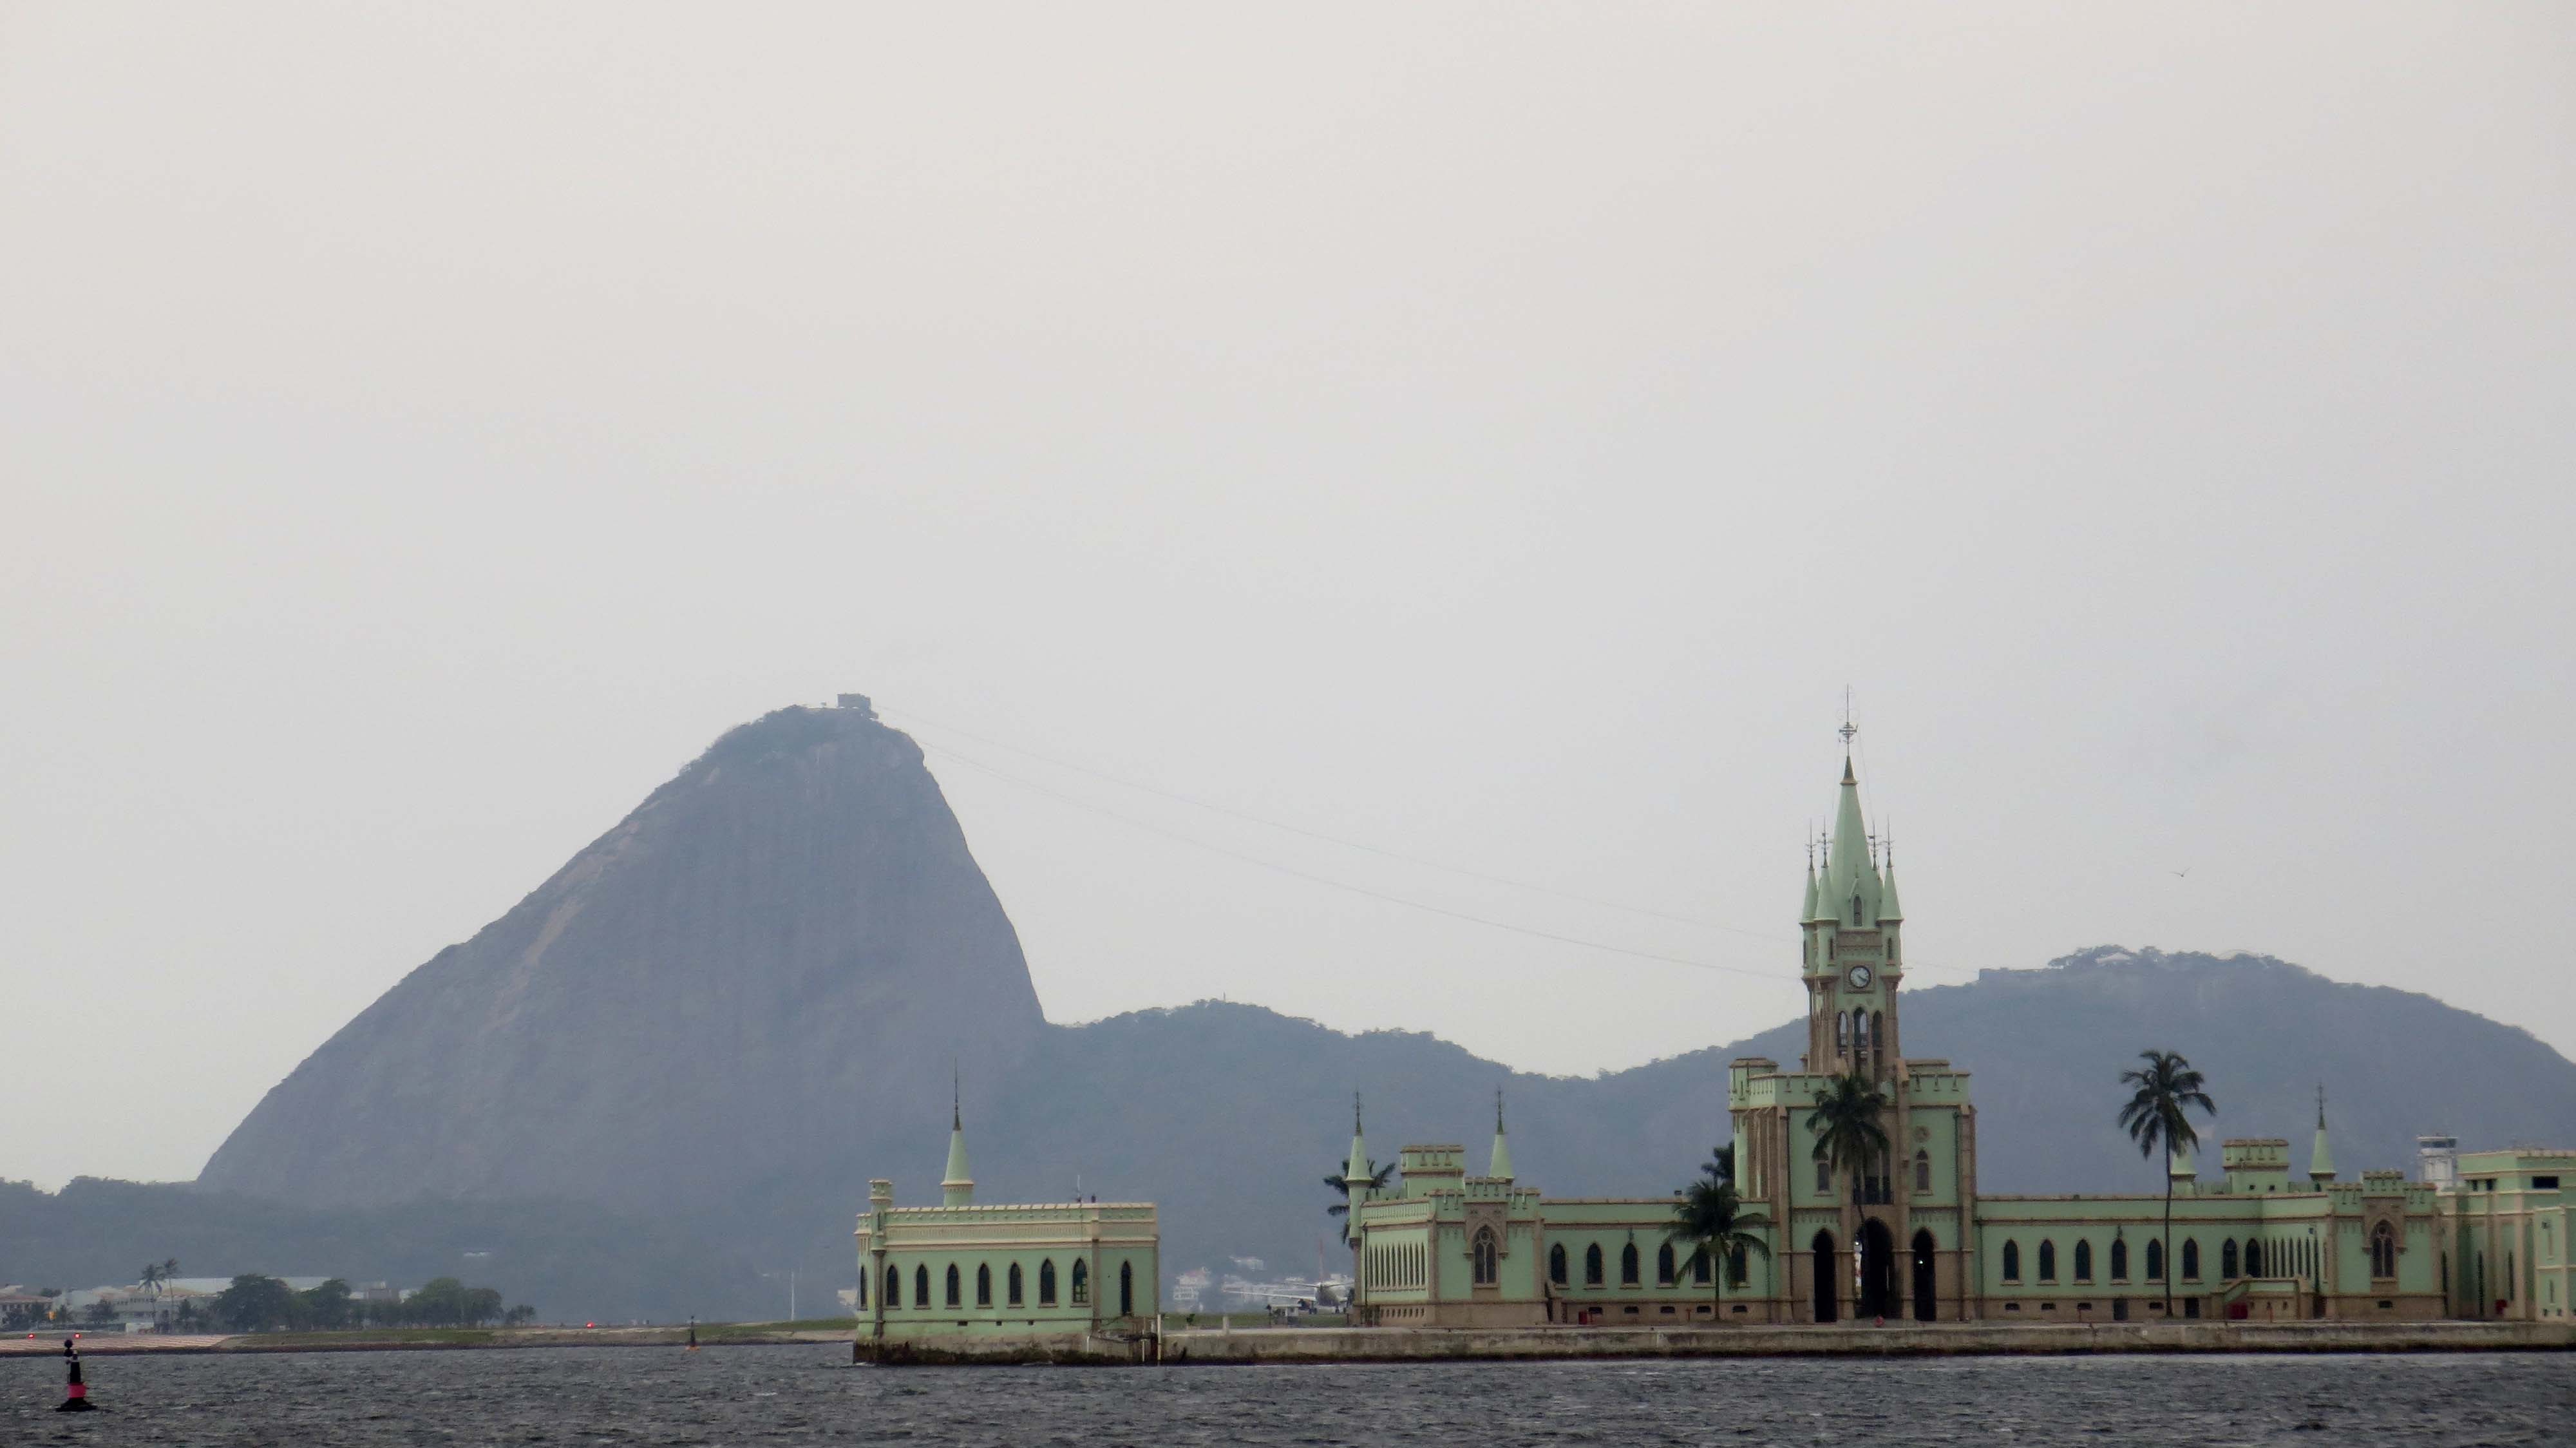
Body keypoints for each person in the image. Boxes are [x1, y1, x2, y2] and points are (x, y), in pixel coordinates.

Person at [58, 1336, 96, 1412]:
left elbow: (67, 1361)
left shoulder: (66, 1353)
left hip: (72, 1374)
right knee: (75, 1381)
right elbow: (73, 1359)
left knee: (74, 1381)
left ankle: (75, 1397)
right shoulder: (73, 1353)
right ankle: (77, 1398)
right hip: (74, 1374)